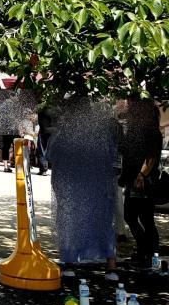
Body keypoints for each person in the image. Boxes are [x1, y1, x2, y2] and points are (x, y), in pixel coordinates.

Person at [43, 99, 122, 271]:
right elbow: (111, 155)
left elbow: (50, 156)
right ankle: (111, 265)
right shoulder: (99, 132)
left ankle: (70, 264)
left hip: (70, 186)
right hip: (97, 185)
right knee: (103, 222)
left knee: (69, 221)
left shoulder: (63, 133)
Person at [120, 98, 161, 269]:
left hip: (142, 181)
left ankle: (148, 252)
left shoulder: (150, 131)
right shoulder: (138, 128)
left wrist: (141, 175)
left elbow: (151, 157)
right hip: (135, 178)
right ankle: (146, 252)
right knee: (140, 217)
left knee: (137, 216)